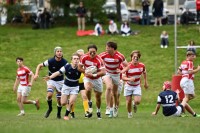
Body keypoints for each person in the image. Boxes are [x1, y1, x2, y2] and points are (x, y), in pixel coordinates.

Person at [43, 53, 82, 120]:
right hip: (66, 86)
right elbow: (57, 73)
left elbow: (87, 73)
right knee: (63, 103)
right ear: (71, 60)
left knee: (72, 101)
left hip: (75, 87)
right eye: (74, 59)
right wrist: (50, 77)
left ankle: (66, 115)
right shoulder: (67, 67)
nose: (76, 60)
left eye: (77, 59)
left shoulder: (81, 67)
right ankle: (67, 102)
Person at [34, 46, 68, 119]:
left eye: (60, 51)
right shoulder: (50, 61)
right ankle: (50, 108)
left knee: (59, 101)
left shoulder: (65, 62)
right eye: (57, 51)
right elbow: (39, 65)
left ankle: (58, 114)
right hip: (51, 80)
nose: (59, 53)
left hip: (60, 81)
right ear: (55, 53)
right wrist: (36, 74)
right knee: (49, 95)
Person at [99, 41, 128, 118]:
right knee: (109, 87)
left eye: (108, 48)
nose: (106, 49)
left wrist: (121, 71)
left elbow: (127, 66)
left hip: (116, 75)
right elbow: (97, 60)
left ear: (113, 48)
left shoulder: (120, 56)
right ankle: (108, 108)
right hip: (107, 73)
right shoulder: (103, 55)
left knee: (115, 94)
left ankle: (115, 108)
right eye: (106, 47)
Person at [78, 44, 106, 119]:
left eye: (94, 52)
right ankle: (90, 102)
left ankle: (98, 111)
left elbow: (103, 72)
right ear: (88, 51)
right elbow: (79, 68)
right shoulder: (83, 57)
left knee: (98, 97)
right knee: (88, 88)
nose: (92, 53)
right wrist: (85, 72)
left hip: (97, 79)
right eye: (91, 52)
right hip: (88, 78)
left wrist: (94, 75)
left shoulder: (99, 60)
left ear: (96, 52)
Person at [122, 50, 148, 118]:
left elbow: (144, 73)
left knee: (138, 101)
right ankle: (129, 114)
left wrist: (145, 82)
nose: (135, 58)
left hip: (137, 85)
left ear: (139, 58)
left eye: (137, 57)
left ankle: (134, 103)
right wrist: (129, 79)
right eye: (134, 57)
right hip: (128, 85)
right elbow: (122, 77)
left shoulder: (142, 66)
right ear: (131, 58)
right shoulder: (127, 66)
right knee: (128, 102)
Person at [177, 51, 200, 117]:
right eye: (192, 56)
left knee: (192, 96)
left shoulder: (183, 62)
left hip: (183, 80)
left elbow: (179, 71)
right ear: (188, 56)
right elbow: (190, 72)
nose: (193, 57)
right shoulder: (190, 62)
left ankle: (182, 104)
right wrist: (198, 69)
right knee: (187, 97)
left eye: (194, 56)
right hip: (187, 81)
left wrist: (184, 74)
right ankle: (179, 110)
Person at [73, 49, 93, 118]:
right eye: (79, 55)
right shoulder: (74, 64)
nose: (81, 56)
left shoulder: (86, 63)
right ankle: (72, 112)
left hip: (83, 83)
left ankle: (86, 112)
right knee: (73, 99)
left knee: (85, 97)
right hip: (75, 83)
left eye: (82, 55)